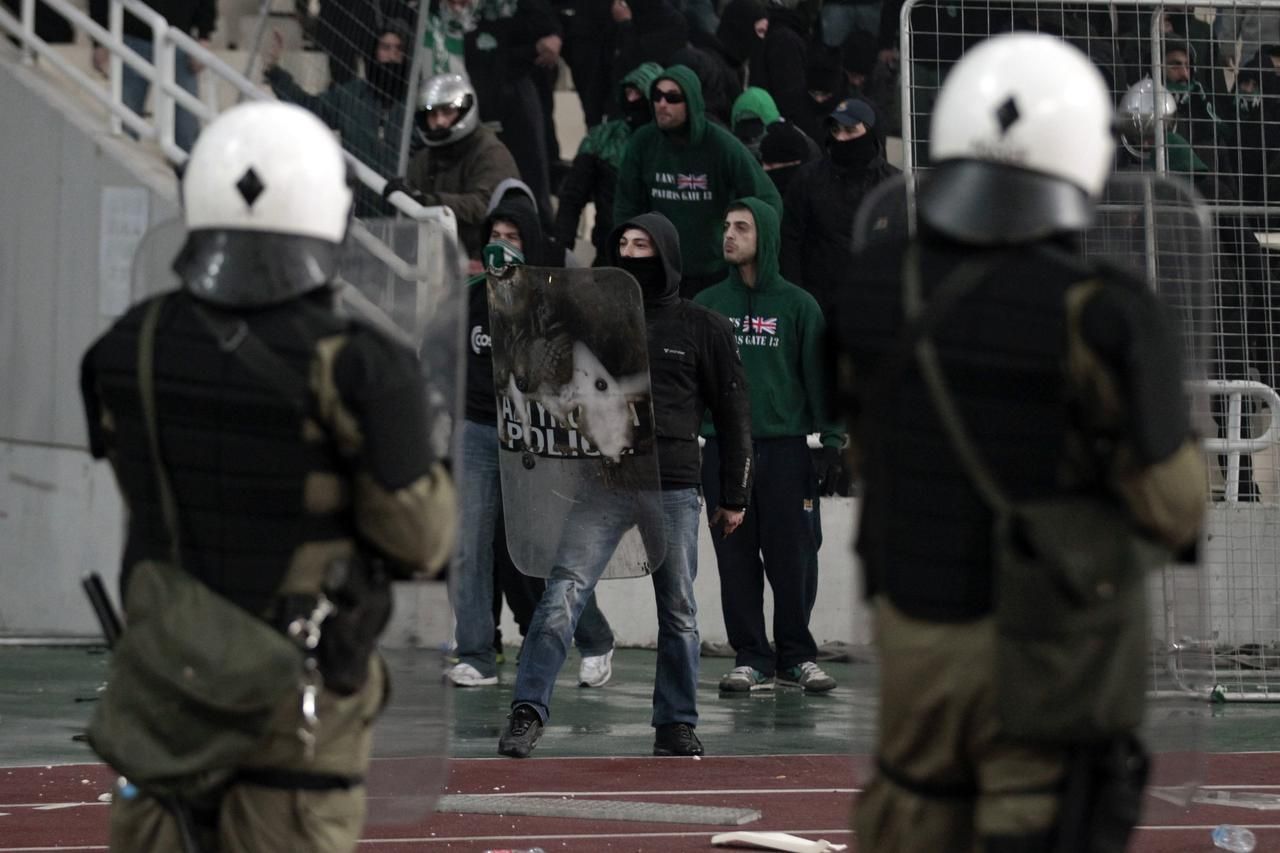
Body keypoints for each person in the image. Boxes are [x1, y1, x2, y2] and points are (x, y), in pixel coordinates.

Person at [830, 35, 1206, 850]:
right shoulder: (1100, 310)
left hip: (913, 631)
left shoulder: (873, 281)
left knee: (909, 816)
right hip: (1042, 658)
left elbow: (868, 450)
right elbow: (1175, 508)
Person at [79, 101, 458, 851]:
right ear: (331, 212)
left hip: (160, 692)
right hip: (294, 713)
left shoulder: (128, 344)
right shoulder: (361, 366)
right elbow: (422, 540)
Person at [498, 211, 753, 758]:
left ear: (666, 252)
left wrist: (735, 495)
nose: (633, 253)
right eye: (624, 244)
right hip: (603, 481)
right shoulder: (595, 323)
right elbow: (548, 380)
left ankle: (676, 724)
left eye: (644, 245)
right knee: (563, 592)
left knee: (680, 610)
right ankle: (526, 711)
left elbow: (734, 415)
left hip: (675, 484)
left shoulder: (703, 327)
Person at [448, 182, 616, 688]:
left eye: (512, 236)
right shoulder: (467, 299)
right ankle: (476, 653)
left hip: (535, 436)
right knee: (469, 545)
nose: (501, 245)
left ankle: (594, 639)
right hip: (477, 431)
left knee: (547, 549)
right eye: (494, 235)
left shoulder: (555, 303)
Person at [694, 197, 844, 695]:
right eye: (726, 227)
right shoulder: (710, 306)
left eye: (742, 227)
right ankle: (751, 657)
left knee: (795, 556)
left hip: (785, 451)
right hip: (722, 452)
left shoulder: (799, 306)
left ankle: (796, 656)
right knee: (735, 562)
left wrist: (833, 441)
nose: (729, 236)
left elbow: (822, 379)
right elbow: (691, 382)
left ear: (768, 238)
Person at [614, 66, 783, 298]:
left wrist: (754, 251)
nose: (662, 104)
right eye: (657, 96)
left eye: (672, 97)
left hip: (713, 272)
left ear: (691, 102)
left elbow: (767, 199)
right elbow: (626, 205)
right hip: (659, 272)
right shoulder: (643, 142)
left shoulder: (720, 144)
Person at [264, 20, 413, 217]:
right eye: (385, 48)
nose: (392, 56)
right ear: (374, 52)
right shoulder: (350, 96)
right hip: (357, 212)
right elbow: (310, 108)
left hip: (405, 212)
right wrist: (275, 72)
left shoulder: (415, 102)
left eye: (398, 49)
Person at [780, 97, 899, 318]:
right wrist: (796, 298)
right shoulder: (808, 179)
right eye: (836, 130)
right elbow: (790, 240)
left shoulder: (892, 185)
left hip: (875, 305)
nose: (841, 138)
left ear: (869, 131)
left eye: (850, 130)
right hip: (819, 304)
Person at [383, 73, 521, 259]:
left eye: (447, 112)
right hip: (439, 259)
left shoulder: (490, 152)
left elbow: (483, 205)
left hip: (486, 260)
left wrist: (427, 201)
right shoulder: (423, 158)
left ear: (465, 110)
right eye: (432, 114)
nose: (440, 121)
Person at [554, 62, 663, 263]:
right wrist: (562, 251)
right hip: (608, 255)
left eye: (638, 94)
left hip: (659, 258)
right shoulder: (602, 138)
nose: (631, 100)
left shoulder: (669, 144)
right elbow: (572, 197)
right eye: (628, 93)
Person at [89, 0, 215, 153]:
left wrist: (204, 35)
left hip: (178, 40)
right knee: (125, 127)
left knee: (186, 131)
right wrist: (99, 39)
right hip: (132, 38)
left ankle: (187, 173)